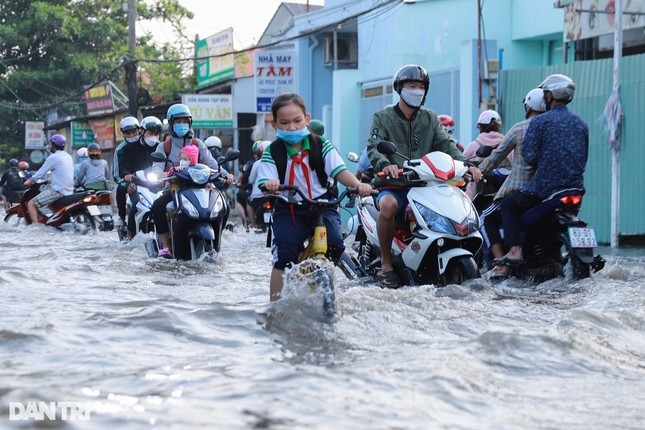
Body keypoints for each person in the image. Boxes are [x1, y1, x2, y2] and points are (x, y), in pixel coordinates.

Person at [367, 64, 483, 288]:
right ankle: (386, 263)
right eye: (412, 85)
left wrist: (467, 164)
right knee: (389, 206)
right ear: (400, 88)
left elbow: (446, 143)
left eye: (421, 87)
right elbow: (374, 145)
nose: (417, 91)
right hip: (394, 185)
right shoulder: (382, 117)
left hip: (426, 185)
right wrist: (385, 164)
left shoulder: (429, 118)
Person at [257, 92, 373, 301]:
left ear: (307, 119)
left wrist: (358, 185)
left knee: (336, 244)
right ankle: (275, 306)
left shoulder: (322, 145)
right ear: (275, 124)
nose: (291, 127)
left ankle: (356, 287)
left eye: (297, 121)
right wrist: (271, 185)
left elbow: (340, 172)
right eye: (284, 123)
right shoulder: (272, 152)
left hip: (323, 206)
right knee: (284, 254)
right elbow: (265, 181)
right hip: (289, 208)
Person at [494, 74, 587, 277]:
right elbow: (583, 156)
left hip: (544, 189)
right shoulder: (581, 123)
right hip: (576, 189)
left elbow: (530, 156)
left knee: (509, 204)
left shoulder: (540, 122)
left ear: (549, 95)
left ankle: (515, 251)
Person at [150, 103, 233, 258]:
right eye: (178, 122)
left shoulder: (198, 144)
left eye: (185, 122)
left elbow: (212, 165)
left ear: (190, 123)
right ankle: (166, 247)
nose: (182, 125)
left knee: (224, 205)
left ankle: (217, 238)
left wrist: (226, 175)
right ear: (171, 124)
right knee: (157, 206)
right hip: (175, 189)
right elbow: (156, 167)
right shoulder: (164, 147)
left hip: (202, 189)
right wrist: (160, 175)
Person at [477, 88, 546, 273]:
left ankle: (500, 263)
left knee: (485, 218)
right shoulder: (552, 127)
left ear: (528, 106)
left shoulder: (520, 128)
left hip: (520, 189)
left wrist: (477, 171)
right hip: (548, 192)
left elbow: (496, 156)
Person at [119, 116, 162, 241]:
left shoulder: (161, 147)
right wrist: (128, 176)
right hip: (137, 184)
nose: (153, 136)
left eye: (156, 134)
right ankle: (129, 234)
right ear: (142, 132)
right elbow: (123, 167)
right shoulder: (129, 148)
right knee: (137, 204)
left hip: (158, 184)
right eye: (150, 133)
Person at [23, 134, 74, 224]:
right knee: (50, 204)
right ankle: (55, 223)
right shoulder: (68, 156)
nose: (50, 146)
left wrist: (30, 181)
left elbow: (41, 172)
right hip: (69, 190)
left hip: (58, 191)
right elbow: (62, 172)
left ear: (54, 145)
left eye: (51, 144)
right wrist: (50, 180)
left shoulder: (54, 157)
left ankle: (36, 228)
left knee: (31, 203)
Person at [463, 109, 507, 200]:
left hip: (475, 197)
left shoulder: (473, 146)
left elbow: (461, 164)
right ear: (499, 126)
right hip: (503, 194)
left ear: (480, 127)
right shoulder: (508, 145)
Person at [114, 116, 141, 231]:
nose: (131, 135)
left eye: (133, 132)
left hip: (147, 179)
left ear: (139, 130)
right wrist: (127, 180)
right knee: (120, 188)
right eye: (128, 133)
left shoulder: (147, 144)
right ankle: (121, 216)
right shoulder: (120, 149)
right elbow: (116, 173)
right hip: (128, 179)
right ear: (123, 133)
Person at [246, 140, 271, 229]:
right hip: (272, 194)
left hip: (257, 195)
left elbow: (251, 179)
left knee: (249, 204)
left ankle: (253, 225)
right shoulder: (276, 162)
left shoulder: (257, 163)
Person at [235, 151, 255, 231]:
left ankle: (248, 223)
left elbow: (249, 179)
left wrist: (242, 183)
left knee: (239, 197)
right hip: (273, 194)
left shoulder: (254, 164)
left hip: (256, 193)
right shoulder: (274, 163)